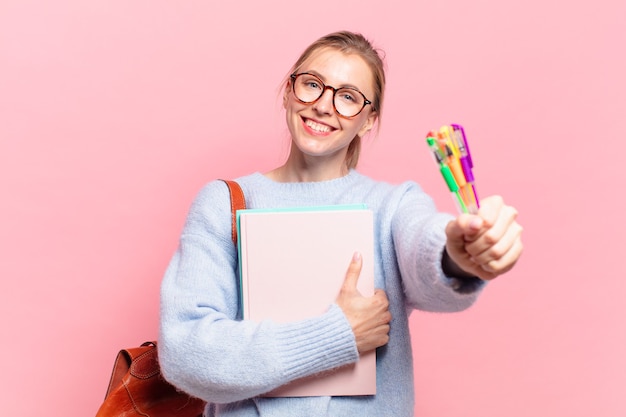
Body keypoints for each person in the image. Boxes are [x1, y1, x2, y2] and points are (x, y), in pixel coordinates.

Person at [159, 31, 523, 417]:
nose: (323, 106)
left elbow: (426, 249)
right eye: (312, 85)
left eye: (348, 97)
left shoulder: (393, 206)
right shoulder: (223, 204)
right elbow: (186, 354)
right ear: (288, 92)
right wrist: (338, 334)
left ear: (368, 121)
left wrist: (457, 253)